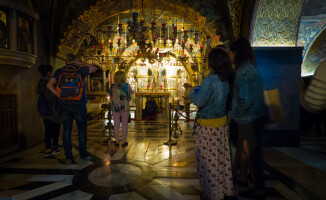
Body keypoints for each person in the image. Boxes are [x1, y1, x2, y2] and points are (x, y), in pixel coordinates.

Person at [187, 48, 234, 200]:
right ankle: (223, 191)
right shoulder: (225, 80)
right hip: (221, 126)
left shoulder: (209, 81)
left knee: (207, 163)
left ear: (212, 62)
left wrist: (190, 92)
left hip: (207, 128)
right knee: (220, 160)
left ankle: (212, 195)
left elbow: (200, 101)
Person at [229, 37, 267, 199]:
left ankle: (258, 190)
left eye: (231, 52)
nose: (230, 55)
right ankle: (243, 178)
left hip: (248, 119)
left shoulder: (243, 72)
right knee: (248, 153)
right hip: (256, 117)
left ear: (236, 52)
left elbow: (245, 100)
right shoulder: (251, 68)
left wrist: (235, 116)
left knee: (252, 155)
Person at [46, 53, 97, 164]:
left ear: (65, 61)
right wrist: (81, 63)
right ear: (75, 60)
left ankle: (68, 156)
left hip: (64, 104)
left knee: (67, 130)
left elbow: (49, 85)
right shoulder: (80, 70)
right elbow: (94, 68)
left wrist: (58, 95)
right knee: (82, 131)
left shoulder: (59, 71)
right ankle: (83, 155)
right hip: (79, 103)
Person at [37, 64, 61, 157]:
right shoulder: (51, 83)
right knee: (56, 129)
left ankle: (48, 147)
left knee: (47, 130)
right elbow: (53, 97)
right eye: (52, 71)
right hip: (54, 109)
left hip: (45, 109)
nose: (52, 73)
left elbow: (39, 92)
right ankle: (55, 146)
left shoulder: (40, 82)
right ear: (48, 72)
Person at [108, 71, 134, 147]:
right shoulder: (127, 85)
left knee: (116, 124)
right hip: (125, 107)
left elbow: (110, 95)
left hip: (115, 107)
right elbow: (130, 96)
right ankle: (123, 142)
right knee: (125, 124)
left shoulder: (112, 86)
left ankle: (116, 141)